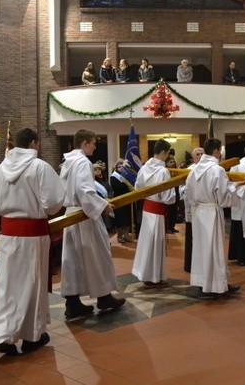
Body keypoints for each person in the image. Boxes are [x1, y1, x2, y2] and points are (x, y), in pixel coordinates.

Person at [0, 128, 65, 355]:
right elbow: (53, 203)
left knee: (7, 285)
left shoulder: (0, 170)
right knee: (33, 285)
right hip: (33, 237)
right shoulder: (39, 167)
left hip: (8, 238)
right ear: (34, 143)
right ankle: (33, 336)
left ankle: (3, 334)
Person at [60, 129, 125, 318]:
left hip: (71, 214)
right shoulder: (83, 162)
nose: (95, 147)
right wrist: (103, 206)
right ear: (85, 143)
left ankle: (72, 303)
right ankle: (104, 297)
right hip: (83, 215)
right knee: (97, 255)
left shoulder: (67, 162)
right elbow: (85, 191)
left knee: (72, 260)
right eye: (93, 143)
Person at [185, 138, 244, 297]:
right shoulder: (217, 170)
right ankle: (217, 285)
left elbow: (188, 195)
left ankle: (202, 282)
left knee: (200, 248)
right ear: (217, 151)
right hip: (211, 211)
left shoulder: (194, 170)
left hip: (198, 212)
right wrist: (235, 186)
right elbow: (224, 198)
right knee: (214, 248)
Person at [133, 139, 175, 288]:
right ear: (163, 152)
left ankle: (145, 274)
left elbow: (138, 188)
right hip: (157, 210)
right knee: (156, 243)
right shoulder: (163, 171)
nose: (168, 157)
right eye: (168, 153)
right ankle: (154, 276)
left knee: (146, 243)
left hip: (147, 209)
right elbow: (168, 198)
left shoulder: (144, 168)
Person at [182, 147, 204, 272]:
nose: (200, 156)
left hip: (204, 208)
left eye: (202, 154)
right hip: (192, 208)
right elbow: (181, 189)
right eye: (197, 154)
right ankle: (190, 265)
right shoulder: (189, 170)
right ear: (193, 156)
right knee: (191, 238)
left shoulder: (207, 170)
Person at [110, 159, 135, 243]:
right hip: (119, 200)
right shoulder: (113, 176)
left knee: (127, 218)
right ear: (116, 167)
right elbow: (117, 188)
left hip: (127, 200)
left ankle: (126, 234)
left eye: (122, 166)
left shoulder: (126, 176)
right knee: (120, 219)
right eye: (119, 166)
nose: (121, 167)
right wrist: (126, 186)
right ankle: (120, 236)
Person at [165, 156, 180, 234]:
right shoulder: (165, 171)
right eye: (170, 162)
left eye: (173, 162)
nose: (172, 163)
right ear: (166, 163)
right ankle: (167, 227)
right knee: (169, 211)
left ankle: (172, 226)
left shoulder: (176, 171)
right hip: (168, 192)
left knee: (174, 210)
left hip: (176, 191)